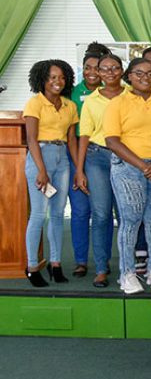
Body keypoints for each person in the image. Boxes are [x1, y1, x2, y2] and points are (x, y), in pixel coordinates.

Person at [104, 58, 151, 294]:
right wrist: (143, 166)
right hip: (128, 168)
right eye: (139, 73)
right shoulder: (117, 103)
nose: (145, 77)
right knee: (130, 221)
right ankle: (127, 274)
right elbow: (112, 140)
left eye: (149, 73)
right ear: (129, 76)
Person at [22, 59, 79, 287]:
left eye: (62, 77)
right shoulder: (34, 104)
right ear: (42, 79)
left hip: (62, 158)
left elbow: (72, 139)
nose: (58, 81)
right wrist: (42, 171)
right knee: (38, 214)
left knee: (57, 215)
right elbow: (31, 139)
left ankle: (55, 264)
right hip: (40, 157)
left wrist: (79, 169)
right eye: (52, 77)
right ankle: (32, 266)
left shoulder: (69, 106)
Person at [74, 53, 127, 287]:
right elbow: (84, 135)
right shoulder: (91, 100)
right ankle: (102, 268)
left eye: (114, 68)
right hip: (97, 158)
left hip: (126, 157)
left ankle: (128, 267)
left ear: (122, 71)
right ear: (98, 73)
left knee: (125, 214)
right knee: (102, 213)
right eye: (104, 69)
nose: (109, 73)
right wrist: (79, 169)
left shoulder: (132, 96)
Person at [68, 51, 104, 277]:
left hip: (104, 155)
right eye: (87, 67)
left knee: (103, 213)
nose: (92, 72)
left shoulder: (115, 92)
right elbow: (72, 134)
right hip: (77, 155)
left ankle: (105, 261)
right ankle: (81, 260)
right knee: (81, 210)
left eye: (96, 68)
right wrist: (77, 166)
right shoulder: (72, 93)